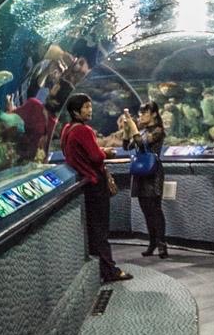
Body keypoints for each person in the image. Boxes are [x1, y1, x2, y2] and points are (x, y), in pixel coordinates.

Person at [59, 93, 132, 282]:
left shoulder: (67, 129)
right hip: (95, 183)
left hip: (84, 183)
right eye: (85, 107)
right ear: (75, 111)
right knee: (101, 230)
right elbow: (95, 157)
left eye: (90, 106)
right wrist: (105, 152)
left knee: (93, 230)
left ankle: (99, 268)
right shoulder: (83, 130)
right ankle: (109, 270)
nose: (89, 110)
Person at [122, 101, 168, 258]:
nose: (141, 116)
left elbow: (142, 143)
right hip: (141, 173)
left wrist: (133, 127)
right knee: (146, 210)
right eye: (140, 113)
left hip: (153, 172)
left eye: (144, 113)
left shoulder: (158, 130)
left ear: (154, 114)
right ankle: (152, 243)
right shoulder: (141, 131)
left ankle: (162, 245)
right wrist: (126, 128)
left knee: (155, 210)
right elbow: (126, 146)